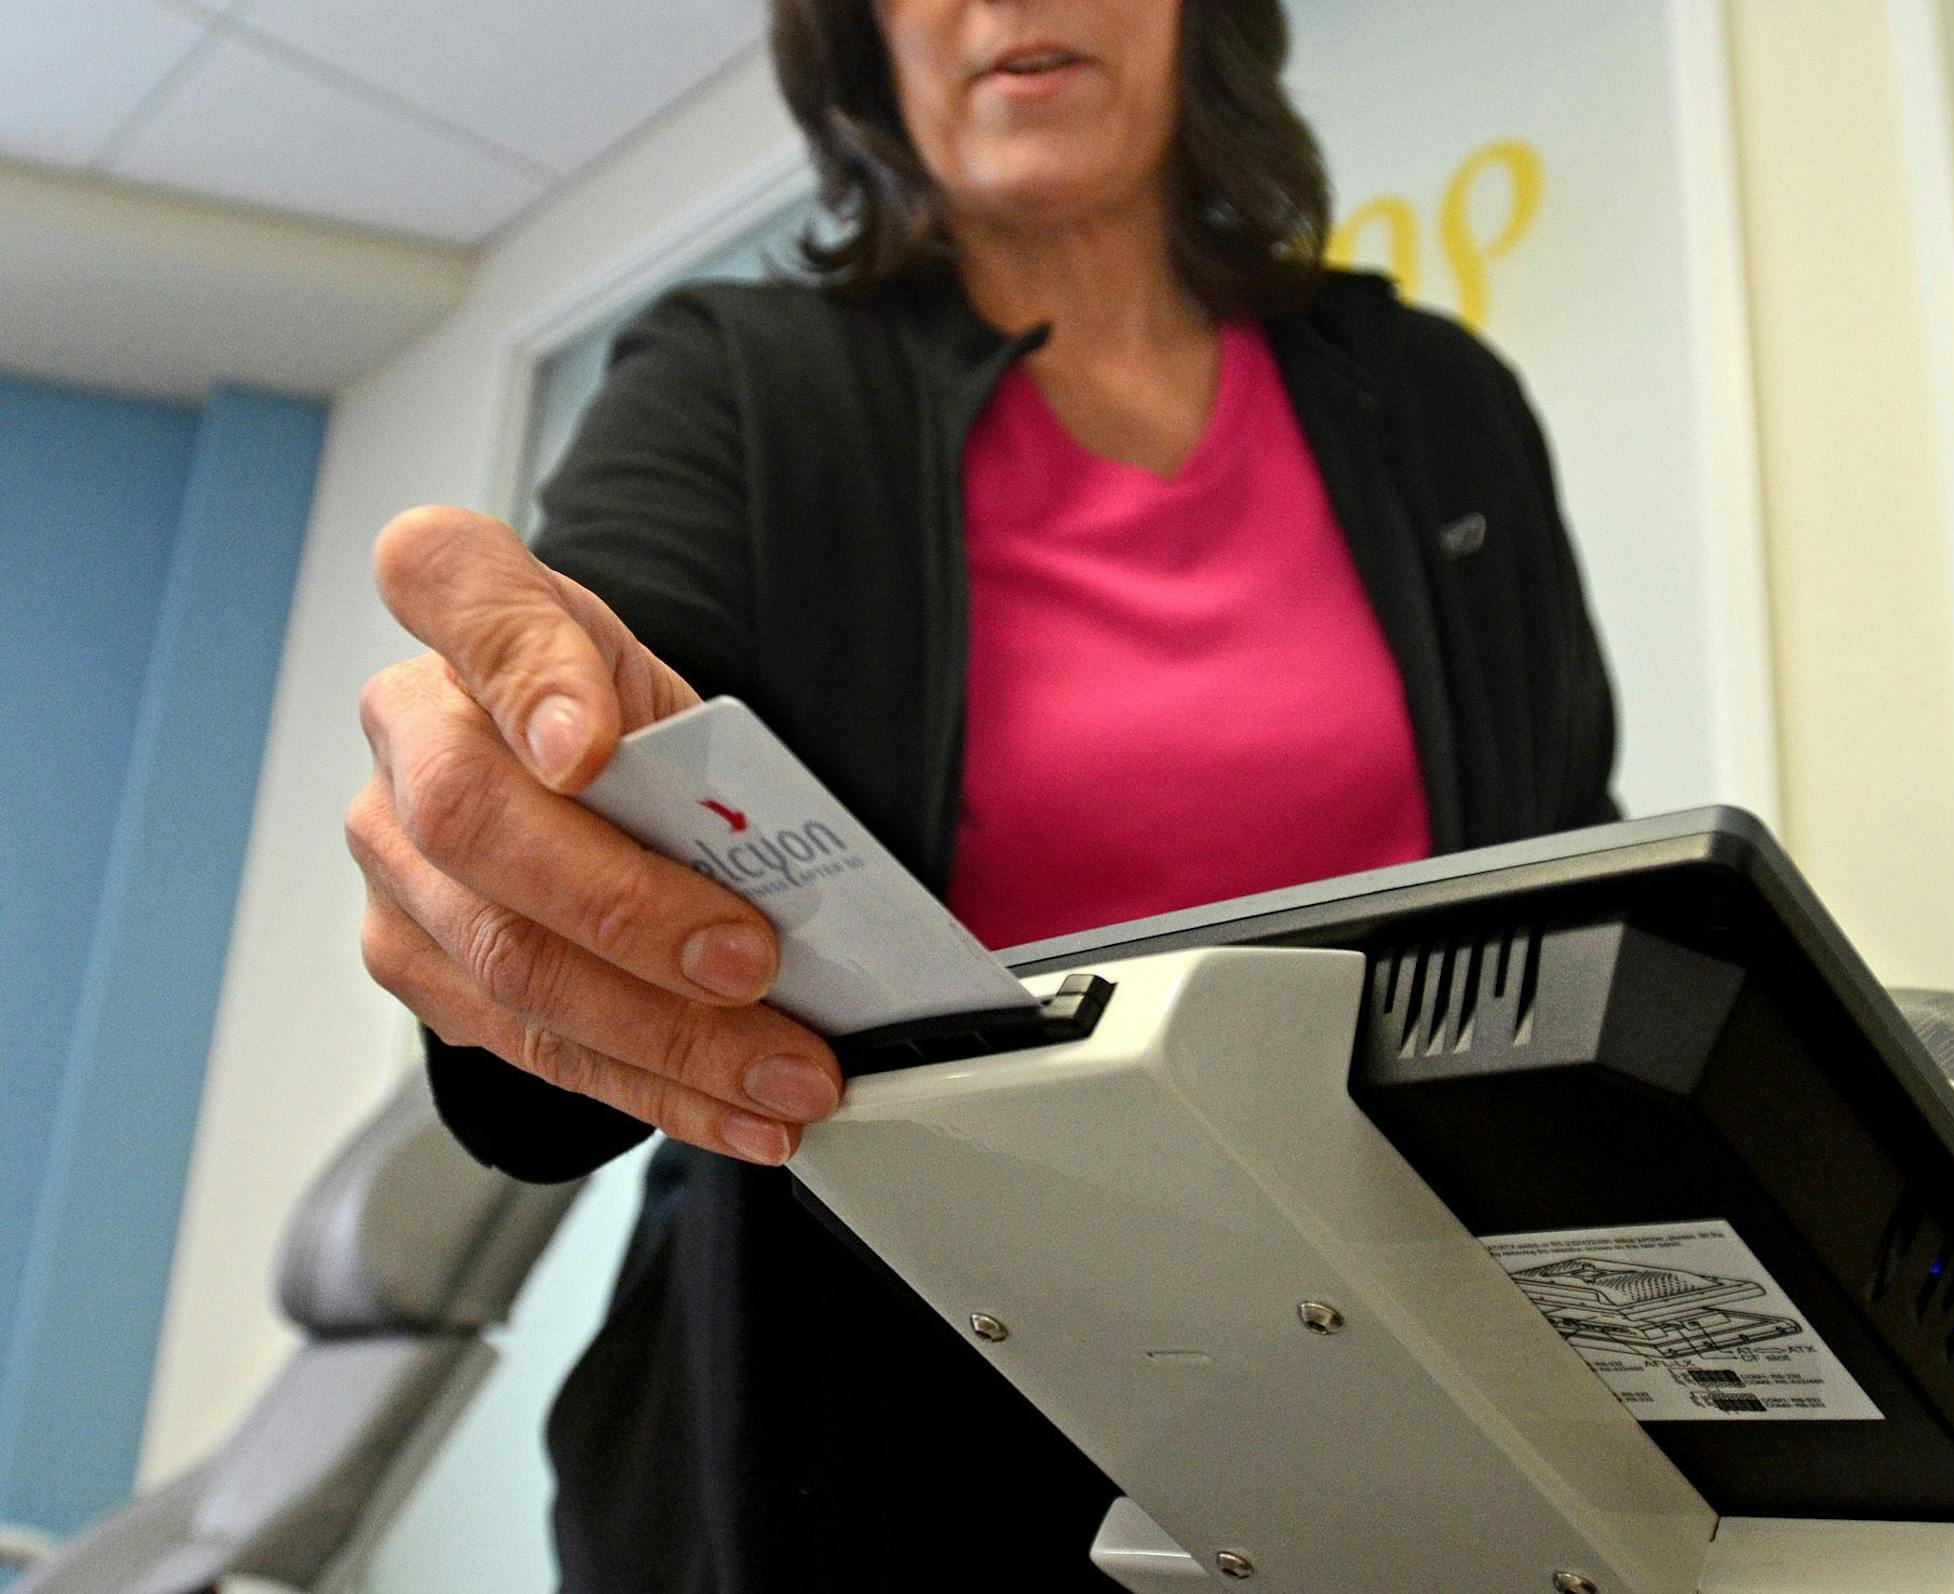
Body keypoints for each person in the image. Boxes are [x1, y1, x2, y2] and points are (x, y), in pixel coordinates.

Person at [346, 0, 1620, 1587]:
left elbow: (1568, 877)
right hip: (879, 1437)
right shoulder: (739, 383)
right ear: (864, 42)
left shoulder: (1436, 402)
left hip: (1395, 1375)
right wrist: (518, 799)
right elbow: (598, 695)